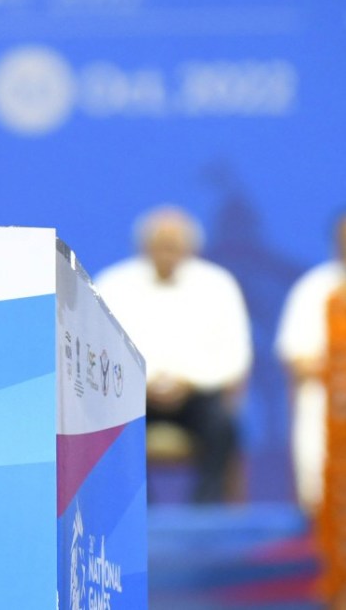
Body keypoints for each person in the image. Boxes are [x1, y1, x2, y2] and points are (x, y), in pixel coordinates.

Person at [94, 205, 253, 503]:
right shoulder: (113, 284)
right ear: (143, 246)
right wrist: (146, 382)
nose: (167, 253)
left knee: (222, 424)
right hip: (131, 395)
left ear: (191, 248)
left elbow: (235, 354)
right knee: (110, 426)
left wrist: (187, 382)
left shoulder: (218, 285)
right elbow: (98, 349)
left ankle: (207, 511)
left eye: (174, 246)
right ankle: (138, 509)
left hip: (197, 395)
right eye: (160, 245)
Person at [275, 211, 346, 515]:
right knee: (317, 407)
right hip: (326, 391)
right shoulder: (313, 288)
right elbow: (297, 359)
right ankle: (318, 515)